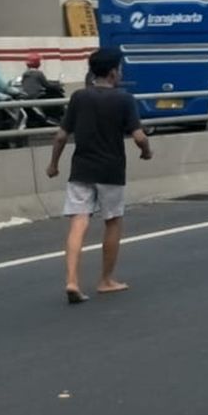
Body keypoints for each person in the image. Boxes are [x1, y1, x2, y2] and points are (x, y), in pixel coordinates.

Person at [45, 48, 151, 304]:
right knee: (112, 221)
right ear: (114, 72)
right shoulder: (124, 99)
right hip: (111, 171)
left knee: (78, 223)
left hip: (81, 169)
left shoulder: (79, 97)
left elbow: (61, 135)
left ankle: (72, 281)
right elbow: (139, 137)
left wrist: (53, 164)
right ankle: (106, 280)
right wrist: (147, 151)